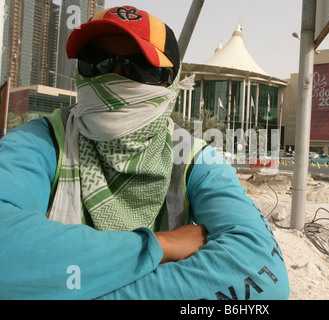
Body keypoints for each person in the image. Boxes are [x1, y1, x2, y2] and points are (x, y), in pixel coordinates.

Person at [0, 6, 289, 300]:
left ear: (171, 84)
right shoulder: (41, 142)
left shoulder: (192, 160)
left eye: (138, 68)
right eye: (96, 64)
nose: (111, 80)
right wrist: (157, 247)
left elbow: (264, 276)